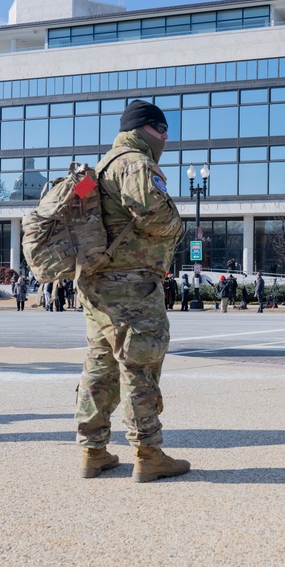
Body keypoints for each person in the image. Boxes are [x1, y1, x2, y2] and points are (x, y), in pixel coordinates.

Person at [74, 100, 189, 483]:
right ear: (144, 129)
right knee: (139, 363)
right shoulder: (134, 163)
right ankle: (148, 453)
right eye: (162, 129)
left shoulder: (99, 167)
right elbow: (155, 215)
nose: (166, 137)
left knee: (100, 366)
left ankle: (93, 453)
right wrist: (178, 227)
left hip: (96, 283)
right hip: (131, 283)